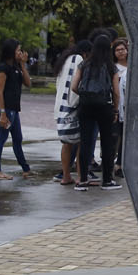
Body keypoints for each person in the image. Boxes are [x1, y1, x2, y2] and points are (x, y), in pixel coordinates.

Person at [71, 34, 121, 191]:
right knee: (107, 143)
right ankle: (107, 180)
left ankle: (83, 179)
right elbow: (116, 92)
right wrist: (115, 109)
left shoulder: (84, 64)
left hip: (85, 106)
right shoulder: (111, 66)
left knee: (85, 143)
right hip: (104, 107)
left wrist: (86, 95)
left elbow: (73, 86)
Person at [0, 38, 33, 180]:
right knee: (1, 138)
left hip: (14, 109)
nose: (20, 52)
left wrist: (23, 64)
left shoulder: (16, 67)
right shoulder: (3, 68)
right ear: (11, 51)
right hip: (6, 109)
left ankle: (25, 168)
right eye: (18, 50)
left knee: (18, 138)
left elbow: (28, 83)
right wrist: (2, 113)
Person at [53, 40, 91, 186]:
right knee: (80, 143)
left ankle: (66, 175)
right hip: (73, 107)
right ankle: (81, 176)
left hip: (61, 107)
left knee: (66, 143)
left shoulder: (65, 60)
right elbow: (75, 84)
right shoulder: (78, 59)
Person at [111, 37, 130, 179]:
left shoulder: (134, 65)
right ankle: (113, 164)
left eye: (122, 49)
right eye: (117, 50)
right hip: (117, 107)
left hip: (131, 107)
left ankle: (121, 163)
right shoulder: (114, 68)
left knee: (126, 137)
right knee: (115, 136)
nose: (121, 52)